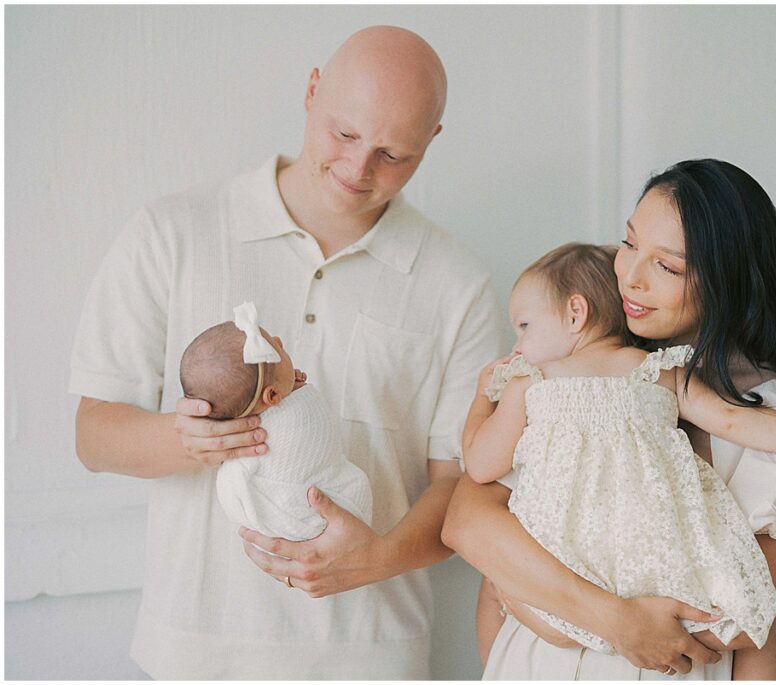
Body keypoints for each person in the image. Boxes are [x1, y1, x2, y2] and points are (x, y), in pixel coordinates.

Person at [71, 26, 503, 679]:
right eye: (346, 135)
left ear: (432, 142)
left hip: (373, 656)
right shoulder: (174, 231)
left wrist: (379, 556)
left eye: (394, 154)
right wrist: (190, 440)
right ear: (310, 92)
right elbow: (92, 435)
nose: (360, 171)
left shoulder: (458, 282)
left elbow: (458, 484)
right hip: (196, 651)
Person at [442, 159, 776, 680]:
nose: (631, 278)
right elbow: (467, 522)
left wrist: (529, 591)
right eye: (629, 243)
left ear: (729, 282)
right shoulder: (575, 364)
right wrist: (611, 619)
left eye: (667, 267)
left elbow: (744, 624)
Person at [180, 302, 372, 540]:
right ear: (272, 396)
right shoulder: (263, 431)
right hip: (303, 507)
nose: (280, 341)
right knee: (354, 485)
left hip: (300, 520)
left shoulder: (285, 404)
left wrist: (292, 388)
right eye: (277, 349)